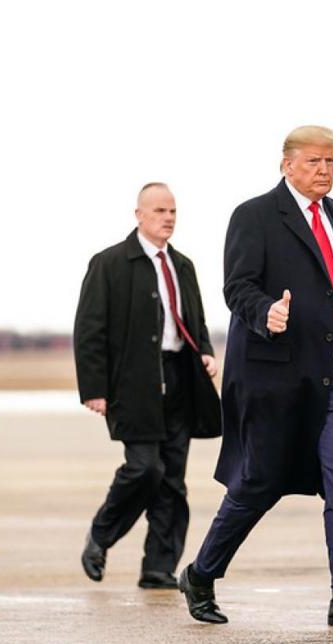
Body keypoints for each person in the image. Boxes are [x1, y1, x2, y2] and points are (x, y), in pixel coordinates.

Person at [177, 126, 333, 627]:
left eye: (329, 163)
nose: (323, 171)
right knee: (259, 483)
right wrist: (266, 314)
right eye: (313, 162)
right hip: (276, 377)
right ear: (287, 164)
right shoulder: (255, 215)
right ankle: (200, 573)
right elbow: (237, 286)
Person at [73, 182, 221, 590]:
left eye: (173, 211)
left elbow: (196, 319)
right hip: (133, 384)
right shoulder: (110, 263)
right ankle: (101, 534)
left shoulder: (184, 265)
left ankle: (158, 567)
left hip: (180, 380)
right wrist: (94, 388)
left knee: (172, 479)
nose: (168, 218)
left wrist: (204, 350)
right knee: (145, 468)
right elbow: (89, 330)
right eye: (159, 211)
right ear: (138, 215)